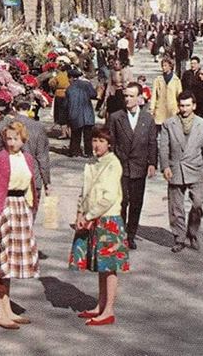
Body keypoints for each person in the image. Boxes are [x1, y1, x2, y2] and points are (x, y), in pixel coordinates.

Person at [0, 121, 41, 330]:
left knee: (9, 263)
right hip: (3, 210)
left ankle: (8, 309)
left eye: (15, 138)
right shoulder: (0, 160)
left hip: (20, 209)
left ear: (23, 139)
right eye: (8, 138)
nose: (11, 142)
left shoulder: (27, 158)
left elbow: (30, 187)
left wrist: (31, 212)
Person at [69, 125, 129, 326]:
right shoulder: (92, 163)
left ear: (109, 144)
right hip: (91, 218)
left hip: (107, 220)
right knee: (100, 266)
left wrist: (89, 215)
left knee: (109, 267)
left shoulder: (113, 164)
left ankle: (108, 310)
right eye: (94, 140)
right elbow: (84, 192)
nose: (96, 145)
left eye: (101, 141)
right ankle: (100, 304)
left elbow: (109, 197)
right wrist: (80, 213)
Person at [158, 91, 203, 253]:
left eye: (188, 105)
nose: (184, 109)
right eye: (182, 105)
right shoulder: (169, 124)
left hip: (195, 168)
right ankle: (179, 237)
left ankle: (192, 232)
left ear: (194, 106)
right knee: (176, 207)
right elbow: (164, 147)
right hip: (175, 168)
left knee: (198, 202)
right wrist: (165, 166)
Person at [106, 83, 157, 250]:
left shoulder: (147, 119)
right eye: (126, 96)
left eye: (131, 96)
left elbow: (152, 143)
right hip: (121, 165)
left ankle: (131, 235)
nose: (127, 99)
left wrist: (152, 163)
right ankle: (119, 233)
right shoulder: (115, 117)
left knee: (136, 202)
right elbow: (110, 142)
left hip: (139, 166)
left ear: (139, 98)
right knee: (122, 201)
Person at [0, 97, 51, 195]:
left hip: (9, 176)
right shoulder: (39, 127)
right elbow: (42, 158)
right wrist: (47, 182)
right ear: (30, 108)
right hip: (32, 176)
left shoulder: (5, 125)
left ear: (14, 108)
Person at [65, 69, 97, 157]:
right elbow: (94, 94)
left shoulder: (69, 89)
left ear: (71, 78)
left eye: (69, 78)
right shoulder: (86, 84)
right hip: (87, 114)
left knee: (75, 135)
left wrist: (66, 118)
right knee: (88, 135)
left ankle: (74, 151)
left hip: (74, 114)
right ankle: (89, 152)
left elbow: (66, 105)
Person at [150, 58, 182, 127]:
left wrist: (179, 108)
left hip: (172, 109)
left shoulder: (176, 80)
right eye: (162, 66)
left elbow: (179, 95)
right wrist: (152, 108)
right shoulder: (158, 79)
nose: (163, 68)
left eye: (165, 65)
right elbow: (154, 95)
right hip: (160, 108)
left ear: (170, 67)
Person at [50, 60, 72, 139]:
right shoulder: (70, 76)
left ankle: (63, 133)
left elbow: (51, 83)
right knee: (69, 113)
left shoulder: (59, 75)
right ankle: (70, 133)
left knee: (61, 114)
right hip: (70, 95)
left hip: (59, 95)